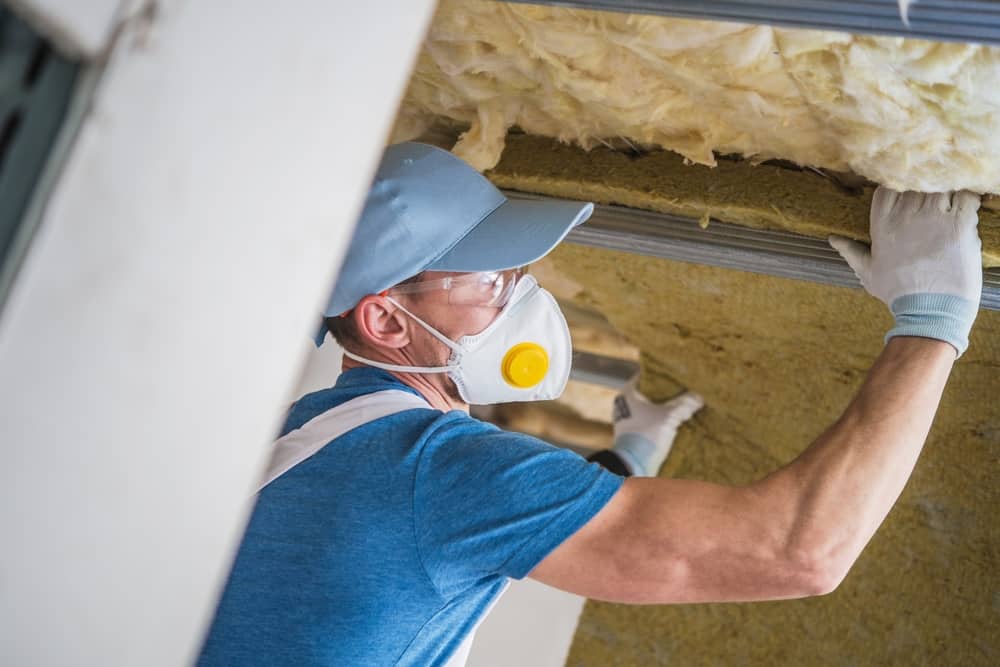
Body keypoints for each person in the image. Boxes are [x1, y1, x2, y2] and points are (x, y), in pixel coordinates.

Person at [198, 142, 983, 666]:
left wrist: (626, 459)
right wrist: (932, 321)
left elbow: (464, 532)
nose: (519, 295)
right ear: (383, 319)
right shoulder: (439, 471)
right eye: (489, 280)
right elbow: (799, 550)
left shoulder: (310, 442)